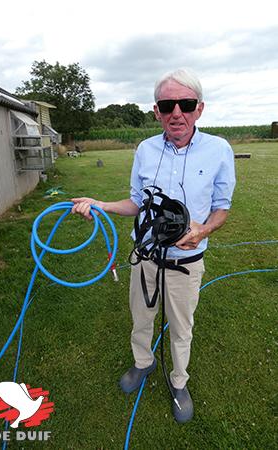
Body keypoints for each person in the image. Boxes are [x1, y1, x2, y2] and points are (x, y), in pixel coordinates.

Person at [71, 68, 236, 423]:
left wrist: (203, 231)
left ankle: (179, 381)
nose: (177, 112)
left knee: (181, 327)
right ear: (157, 110)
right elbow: (137, 203)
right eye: (167, 104)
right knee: (141, 318)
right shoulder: (145, 150)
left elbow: (222, 208)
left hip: (186, 262)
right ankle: (142, 363)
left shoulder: (219, 150)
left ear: (199, 108)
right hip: (145, 258)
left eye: (186, 103)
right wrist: (101, 204)